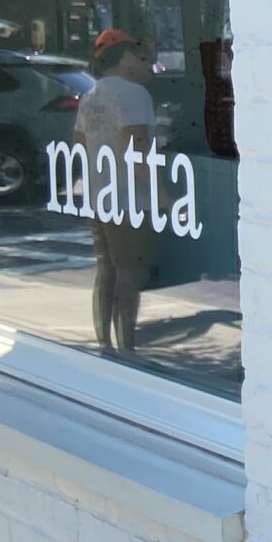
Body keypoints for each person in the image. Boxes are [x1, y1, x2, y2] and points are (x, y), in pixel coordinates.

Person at [76, 27, 160, 353]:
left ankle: (105, 344)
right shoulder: (134, 94)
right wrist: (164, 197)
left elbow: (79, 144)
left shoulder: (91, 95)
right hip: (131, 201)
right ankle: (128, 348)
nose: (149, 65)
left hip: (100, 199)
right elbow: (136, 150)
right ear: (125, 58)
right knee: (131, 274)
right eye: (142, 58)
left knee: (106, 270)